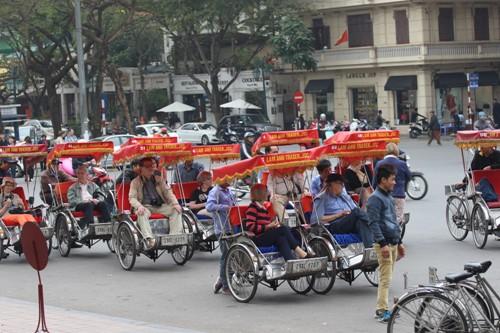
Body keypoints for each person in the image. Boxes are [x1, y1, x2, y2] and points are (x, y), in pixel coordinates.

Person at [366, 164, 405, 323]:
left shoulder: (388, 196)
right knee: (385, 279)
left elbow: (393, 222)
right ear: (383, 180)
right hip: (385, 244)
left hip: (393, 242)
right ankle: (382, 310)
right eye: (392, 179)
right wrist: (382, 244)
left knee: (387, 278)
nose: (394, 182)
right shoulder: (375, 199)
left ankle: (383, 308)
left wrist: (400, 242)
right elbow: (373, 223)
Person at [129, 157, 183, 249]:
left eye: (152, 167)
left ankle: (174, 237)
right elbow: (132, 198)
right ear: (141, 169)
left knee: (176, 210)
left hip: (160, 206)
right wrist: (139, 206)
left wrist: (175, 203)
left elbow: (168, 192)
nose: (151, 169)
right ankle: (149, 239)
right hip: (145, 206)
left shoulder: (159, 179)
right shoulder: (135, 182)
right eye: (147, 167)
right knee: (141, 213)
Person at [244, 184, 309, 260]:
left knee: (282, 239)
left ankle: (291, 261)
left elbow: (267, 224)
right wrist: (268, 226)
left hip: (266, 235)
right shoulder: (253, 207)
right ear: (261, 194)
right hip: (258, 238)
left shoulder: (263, 208)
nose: (268, 193)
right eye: (266, 191)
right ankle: (301, 252)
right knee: (283, 229)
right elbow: (250, 226)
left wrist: (274, 225)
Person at [311, 173, 374, 248]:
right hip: (334, 225)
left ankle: (369, 249)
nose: (343, 186)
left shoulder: (345, 197)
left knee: (361, 221)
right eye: (340, 184)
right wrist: (339, 214)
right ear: (331, 184)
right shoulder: (321, 198)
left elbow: (356, 212)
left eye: (342, 184)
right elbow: (316, 220)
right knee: (357, 211)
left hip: (349, 222)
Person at [206, 181, 236, 295]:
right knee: (226, 256)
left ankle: (222, 279)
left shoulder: (230, 191)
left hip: (232, 227)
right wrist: (225, 207)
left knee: (234, 256)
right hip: (222, 228)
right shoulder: (215, 192)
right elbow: (209, 206)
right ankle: (225, 285)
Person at [373, 143, 411, 226]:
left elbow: (375, 181)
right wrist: (403, 187)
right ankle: (395, 233)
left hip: (382, 195)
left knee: (383, 216)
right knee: (398, 218)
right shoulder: (402, 164)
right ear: (396, 152)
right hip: (398, 194)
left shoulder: (379, 164)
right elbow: (409, 176)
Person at [267, 146, 307, 222]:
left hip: (295, 195)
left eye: (277, 152)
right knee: (274, 200)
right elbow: (270, 186)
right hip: (282, 197)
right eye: (274, 152)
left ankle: (306, 222)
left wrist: (305, 190)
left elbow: (301, 182)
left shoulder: (294, 169)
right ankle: (286, 221)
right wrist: (272, 194)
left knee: (307, 197)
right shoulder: (273, 171)